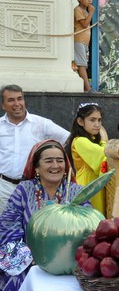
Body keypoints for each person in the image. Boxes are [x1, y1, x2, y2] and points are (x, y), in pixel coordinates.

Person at [0, 140, 86, 291]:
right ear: (36, 167)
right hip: (28, 259)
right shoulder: (24, 190)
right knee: (10, 281)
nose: (55, 165)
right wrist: (31, 256)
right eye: (48, 160)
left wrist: (62, 257)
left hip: (68, 261)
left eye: (60, 160)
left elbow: (89, 230)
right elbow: (8, 226)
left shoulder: (76, 192)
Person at [0, 85, 69, 213]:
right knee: (5, 226)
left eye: (20, 99)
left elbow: (69, 139)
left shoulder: (42, 124)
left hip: (33, 187)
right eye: (11, 100)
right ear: (3, 105)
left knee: (32, 226)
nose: (17, 104)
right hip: (4, 188)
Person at [66, 102, 106, 213]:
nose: (97, 124)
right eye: (92, 120)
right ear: (80, 121)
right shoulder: (80, 141)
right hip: (86, 187)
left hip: (96, 185)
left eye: (99, 120)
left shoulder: (94, 141)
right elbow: (103, 155)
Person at [73, 0, 95, 93]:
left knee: (83, 64)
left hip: (84, 42)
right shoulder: (78, 10)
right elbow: (84, 24)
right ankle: (88, 88)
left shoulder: (85, 11)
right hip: (78, 41)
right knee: (81, 64)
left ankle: (85, 87)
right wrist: (91, 13)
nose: (89, 0)